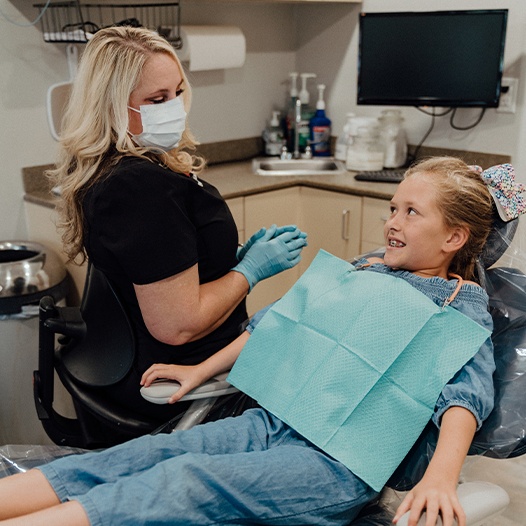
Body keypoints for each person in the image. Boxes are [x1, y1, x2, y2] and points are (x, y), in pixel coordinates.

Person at [1, 156, 519, 526]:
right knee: (149, 455)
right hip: (270, 422)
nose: (391, 223)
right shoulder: (368, 269)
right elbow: (282, 320)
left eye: (412, 213)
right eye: (392, 207)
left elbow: (464, 400)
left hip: (336, 465)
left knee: (185, 481)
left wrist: (442, 478)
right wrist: (200, 370)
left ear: (453, 238)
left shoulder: (460, 306)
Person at [47, 26, 307, 425]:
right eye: (156, 99)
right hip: (174, 378)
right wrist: (250, 271)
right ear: (113, 108)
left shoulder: (129, 168)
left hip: (141, 359)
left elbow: (156, 267)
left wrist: (226, 260)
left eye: (177, 93)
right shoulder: (139, 187)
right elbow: (178, 325)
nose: (174, 108)